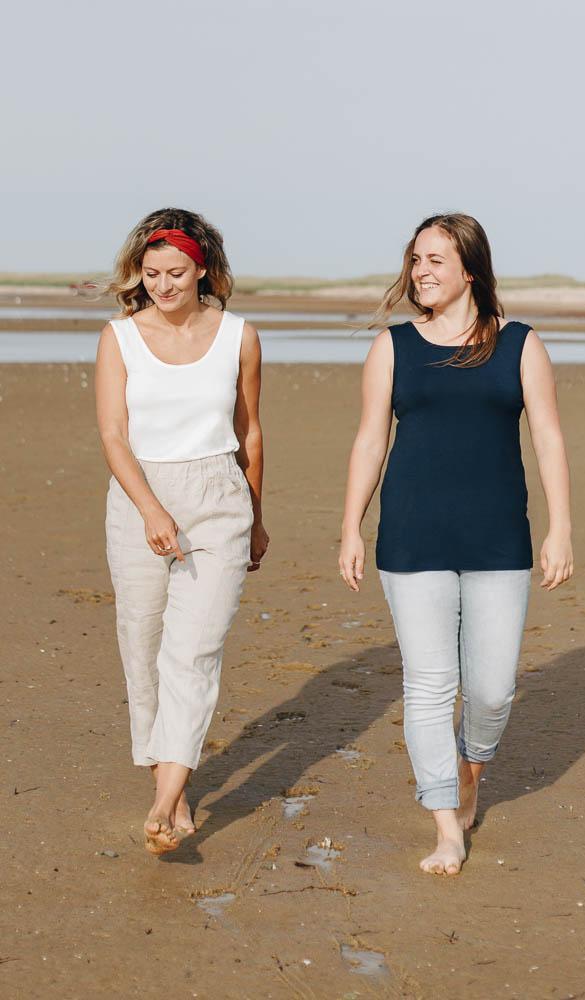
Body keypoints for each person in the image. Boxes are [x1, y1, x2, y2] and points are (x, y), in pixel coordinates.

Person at [339, 213, 573, 876]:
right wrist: (350, 525)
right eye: (415, 259)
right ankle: (445, 823)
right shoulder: (393, 347)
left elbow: (548, 437)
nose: (421, 271)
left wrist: (560, 527)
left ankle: (470, 768)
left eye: (435, 259)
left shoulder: (520, 344)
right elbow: (369, 440)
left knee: (492, 690)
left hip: (498, 537)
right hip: (412, 536)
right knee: (429, 684)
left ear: (470, 269)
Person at [95, 208, 269, 856]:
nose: (162, 285)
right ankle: (169, 783)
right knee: (143, 650)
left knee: (193, 652)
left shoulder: (240, 336)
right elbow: (113, 435)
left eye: (175, 273)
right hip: (138, 498)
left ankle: (166, 801)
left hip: (218, 498)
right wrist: (151, 510)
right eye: (151, 273)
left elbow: (249, 433)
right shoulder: (119, 338)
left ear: (202, 270)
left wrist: (256, 517)